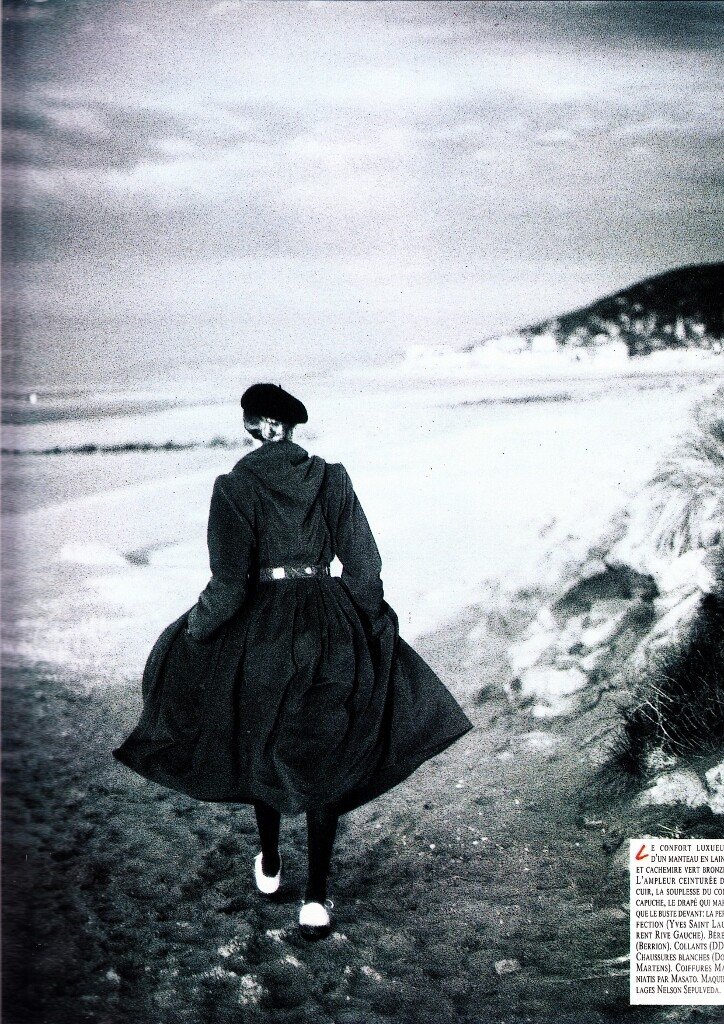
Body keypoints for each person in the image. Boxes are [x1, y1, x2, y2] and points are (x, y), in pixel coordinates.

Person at [114, 383, 472, 938]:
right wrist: (367, 618)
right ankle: (317, 898)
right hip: (330, 620)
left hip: (264, 627)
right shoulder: (332, 477)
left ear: (251, 426)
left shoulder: (234, 486)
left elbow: (229, 584)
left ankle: (272, 856)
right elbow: (365, 563)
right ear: (291, 426)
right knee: (323, 751)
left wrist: (197, 629)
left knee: (262, 739)